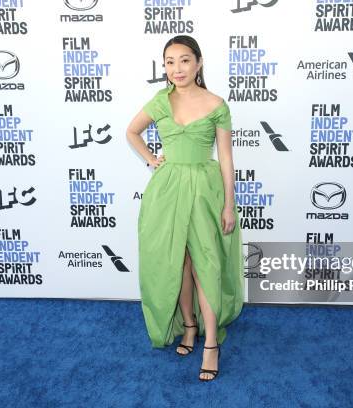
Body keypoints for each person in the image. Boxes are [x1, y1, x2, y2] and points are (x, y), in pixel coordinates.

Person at [126, 35, 244, 382]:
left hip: (205, 191)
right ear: (164, 67)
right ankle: (188, 326)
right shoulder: (160, 101)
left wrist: (229, 205)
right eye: (170, 61)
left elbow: (225, 158)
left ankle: (210, 343)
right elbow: (131, 132)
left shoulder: (217, 104)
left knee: (206, 265)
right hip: (167, 190)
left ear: (199, 63)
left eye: (184, 60)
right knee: (180, 262)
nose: (177, 68)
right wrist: (151, 160)